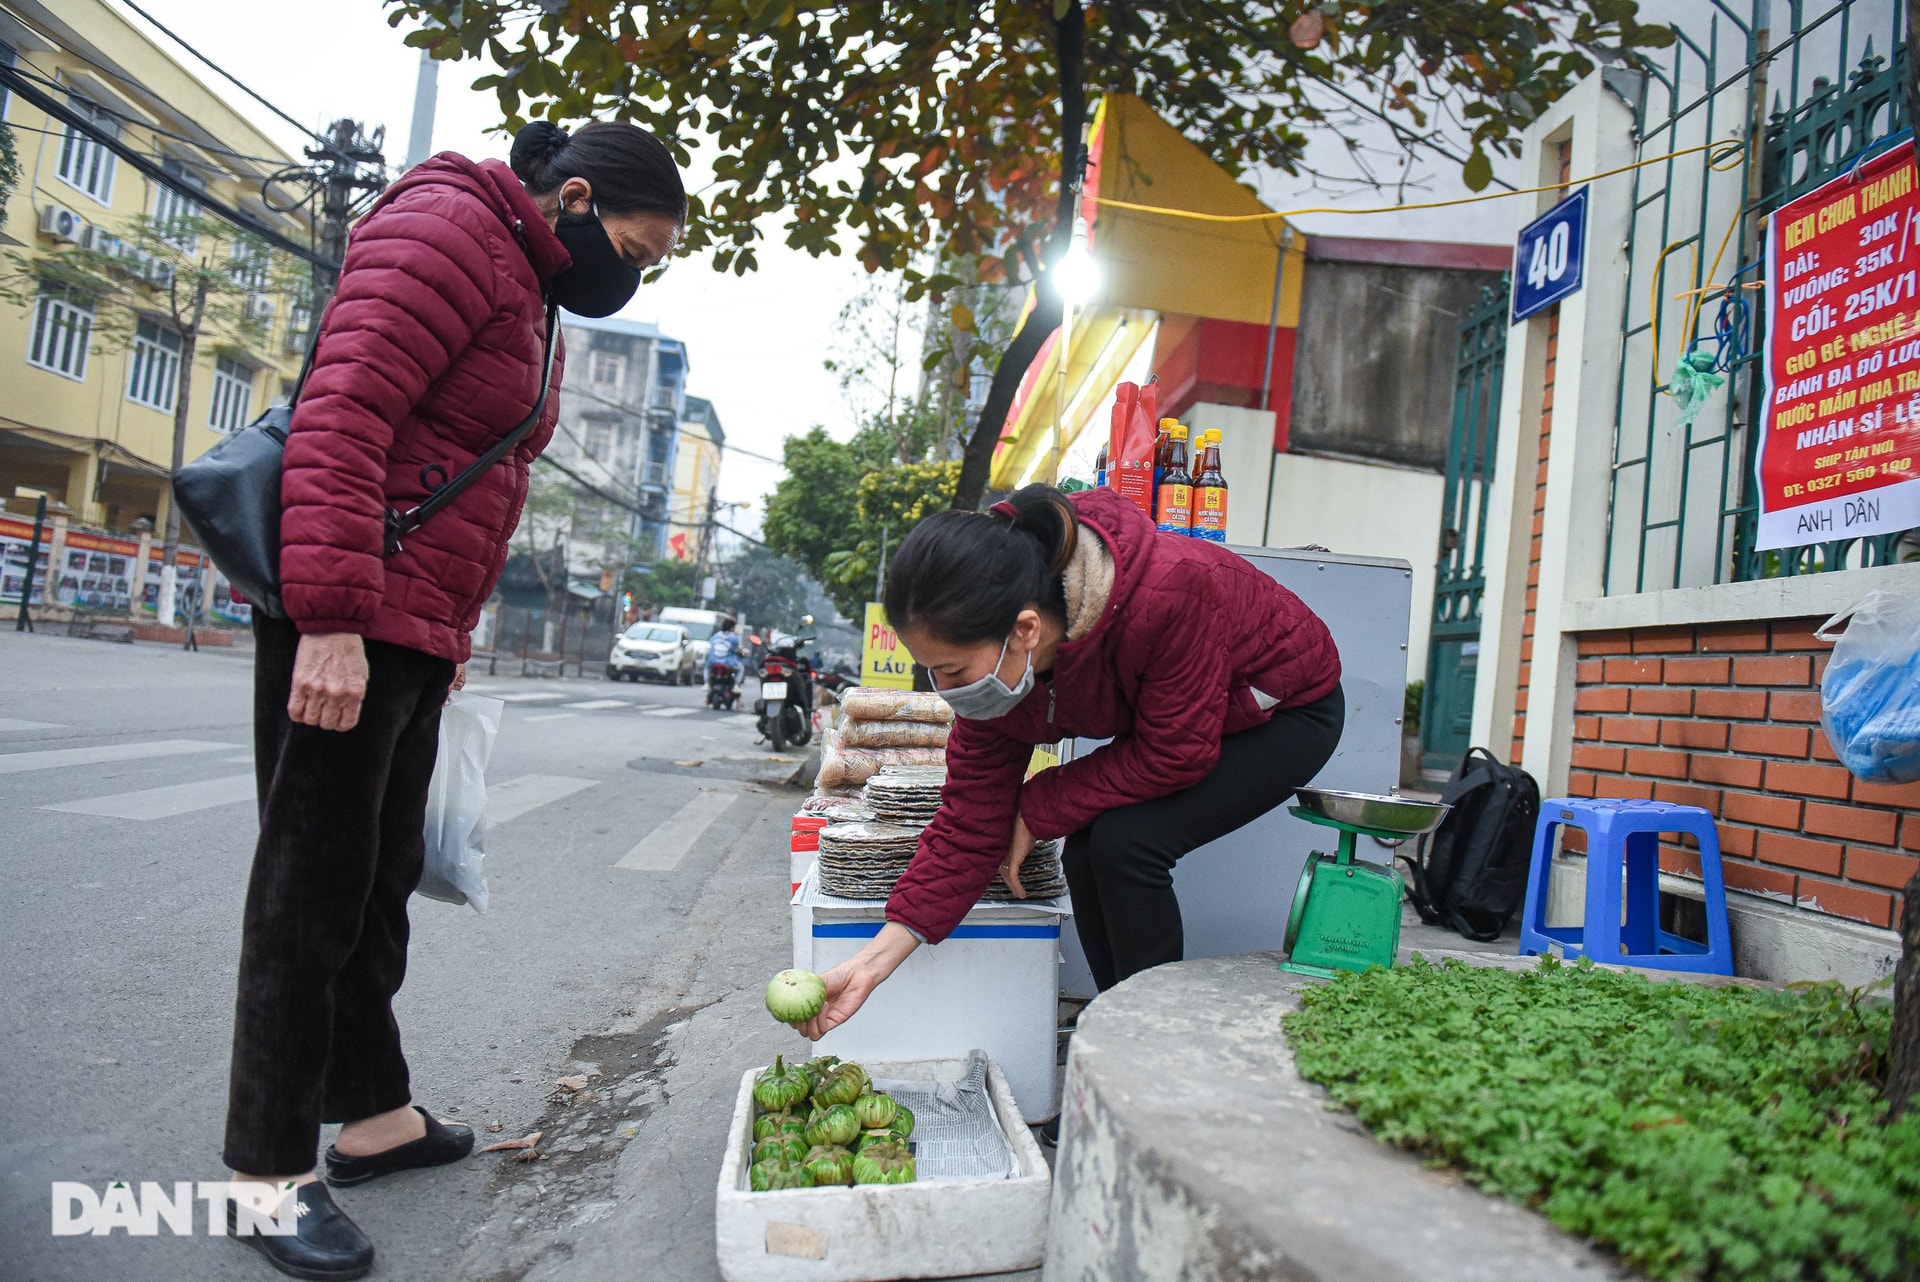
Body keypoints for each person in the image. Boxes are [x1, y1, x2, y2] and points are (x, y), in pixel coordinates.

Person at [224, 119, 684, 1281]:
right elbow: (345, 414)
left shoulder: (523, 282)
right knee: (306, 891)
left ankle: (373, 1112)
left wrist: (443, 636)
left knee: (374, 879)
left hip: (408, 622)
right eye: (635, 246)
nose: (633, 274)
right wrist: (329, 616)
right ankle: (266, 1175)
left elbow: (469, 468)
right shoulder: (448, 229)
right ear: (573, 197)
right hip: (349, 608)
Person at [792, 484, 1344, 1037]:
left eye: (954, 671)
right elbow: (967, 827)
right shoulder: (1000, 681)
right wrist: (869, 964)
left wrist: (1037, 806)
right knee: (1085, 850)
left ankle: (1153, 1043)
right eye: (932, 672)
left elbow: (1175, 753)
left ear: (1025, 630)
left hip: (1284, 709)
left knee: (1128, 845)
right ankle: (1117, 1026)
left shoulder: (1170, 591)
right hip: (1188, 726)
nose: (946, 691)